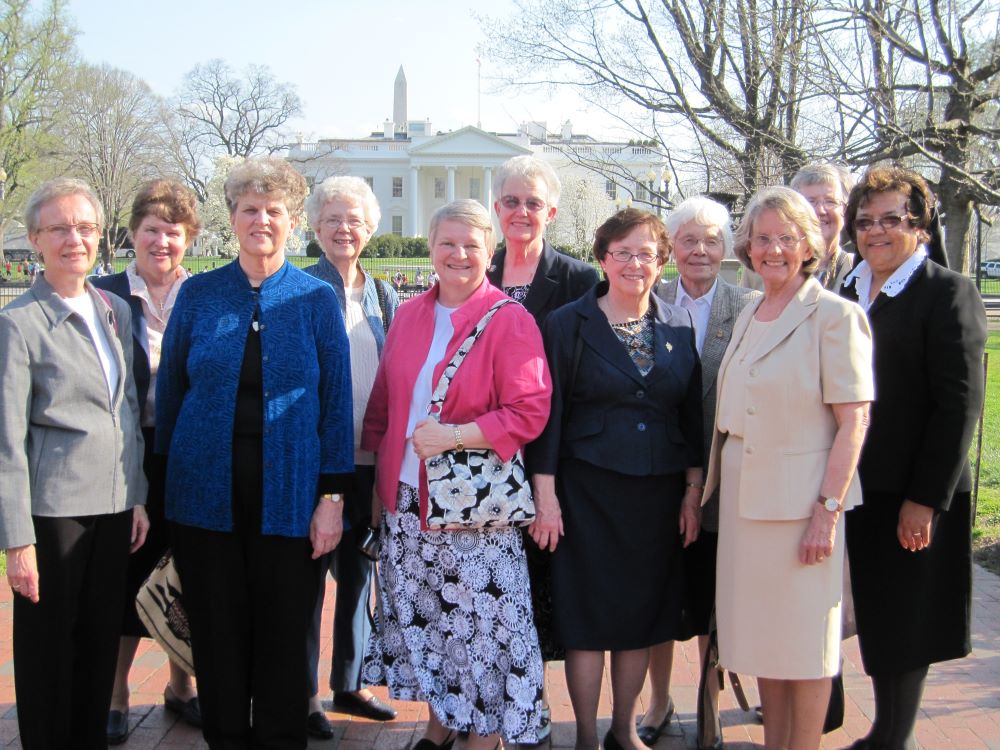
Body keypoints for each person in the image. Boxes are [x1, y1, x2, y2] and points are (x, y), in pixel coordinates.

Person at [156, 157, 353, 750]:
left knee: (282, 637)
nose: (260, 220)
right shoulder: (198, 294)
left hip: (290, 498)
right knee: (216, 637)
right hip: (203, 497)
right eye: (249, 209)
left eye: (273, 211)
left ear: (292, 221)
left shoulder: (317, 299)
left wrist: (332, 498)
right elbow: (170, 396)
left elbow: (335, 404)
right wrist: (163, 493)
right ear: (233, 218)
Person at [361, 199, 551, 750]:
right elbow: (384, 407)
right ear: (430, 247)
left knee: (483, 632)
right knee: (434, 626)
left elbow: (530, 410)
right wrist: (380, 490)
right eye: (448, 243)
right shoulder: (411, 313)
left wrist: (455, 435)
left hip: (472, 508)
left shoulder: (509, 319)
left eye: (472, 245)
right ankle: (443, 725)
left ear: (489, 252)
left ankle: (484, 736)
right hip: (407, 503)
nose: (459, 255)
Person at [529, 208, 703, 750]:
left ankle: (624, 732)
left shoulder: (677, 326)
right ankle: (585, 735)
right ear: (603, 259)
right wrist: (546, 498)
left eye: (647, 253)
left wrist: (694, 494)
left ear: (661, 262)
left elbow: (692, 418)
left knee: (640, 617)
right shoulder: (568, 324)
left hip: (657, 497)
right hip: (585, 495)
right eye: (622, 252)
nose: (634, 263)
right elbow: (548, 418)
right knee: (587, 617)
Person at [706, 186, 873, 750]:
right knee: (762, 644)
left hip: (803, 510)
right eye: (762, 238)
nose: (772, 248)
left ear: (811, 246)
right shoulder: (752, 310)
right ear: (747, 246)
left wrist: (827, 511)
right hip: (746, 506)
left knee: (805, 649)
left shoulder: (835, 317)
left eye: (787, 238)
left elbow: (854, 422)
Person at [840, 166, 987, 750]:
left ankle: (893, 738)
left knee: (909, 619)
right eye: (866, 220)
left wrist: (925, 500)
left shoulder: (946, 292)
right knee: (880, 612)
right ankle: (885, 729)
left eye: (892, 220)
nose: (877, 231)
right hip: (857, 487)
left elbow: (960, 405)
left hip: (914, 492)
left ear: (920, 226)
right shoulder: (845, 290)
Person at [0, 178, 149, 749]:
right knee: (47, 652)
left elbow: (128, 409)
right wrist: (17, 541)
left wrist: (135, 496)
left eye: (85, 227)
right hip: (52, 516)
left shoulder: (111, 308)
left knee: (95, 643)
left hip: (113, 508)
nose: (74, 239)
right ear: (36, 239)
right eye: (59, 228)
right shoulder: (18, 325)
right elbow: (7, 441)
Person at [486, 156, 599, 735]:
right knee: (496, 599)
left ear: (551, 211)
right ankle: (500, 714)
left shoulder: (580, 280)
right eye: (511, 201)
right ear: (496, 208)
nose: (521, 212)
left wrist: (546, 483)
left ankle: (540, 715)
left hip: (557, 461)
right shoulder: (474, 270)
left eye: (533, 202)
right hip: (485, 468)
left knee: (551, 595)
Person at [641, 197, 759, 748]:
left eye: (712, 239)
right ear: (670, 247)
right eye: (687, 239)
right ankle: (657, 699)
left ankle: (708, 708)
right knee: (658, 594)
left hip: (722, 479)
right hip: (658, 478)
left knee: (715, 600)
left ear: (727, 247)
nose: (700, 250)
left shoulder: (752, 306)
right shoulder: (646, 301)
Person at [92, 179, 201, 744]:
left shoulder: (203, 294)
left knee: (183, 571)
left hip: (189, 457)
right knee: (128, 573)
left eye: (173, 232)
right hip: (128, 457)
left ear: (190, 239)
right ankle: (115, 693)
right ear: (133, 233)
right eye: (151, 230)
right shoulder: (104, 295)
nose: (162, 241)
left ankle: (182, 687)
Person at [302, 176, 400, 738]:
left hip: (370, 459)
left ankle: (350, 680)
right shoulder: (300, 289)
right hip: (317, 462)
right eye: (334, 218)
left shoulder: (385, 294)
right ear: (316, 227)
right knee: (308, 578)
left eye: (356, 219)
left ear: (370, 228)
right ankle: (303, 692)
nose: (345, 229)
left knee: (360, 577)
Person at [744, 163, 855, 294]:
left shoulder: (859, 270)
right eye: (810, 202)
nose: (820, 210)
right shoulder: (762, 269)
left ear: (845, 210)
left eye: (830, 201)